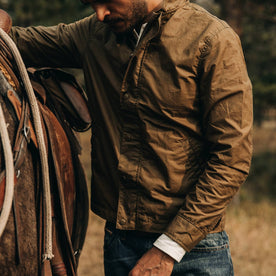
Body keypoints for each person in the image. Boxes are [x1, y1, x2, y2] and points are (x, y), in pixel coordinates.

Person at [9, 0, 253, 275]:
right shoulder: (94, 34)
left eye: (106, 2)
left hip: (194, 250)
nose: (100, 15)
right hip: (120, 243)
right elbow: (16, 42)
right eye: (92, 4)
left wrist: (168, 249)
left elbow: (231, 160)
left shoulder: (212, 40)